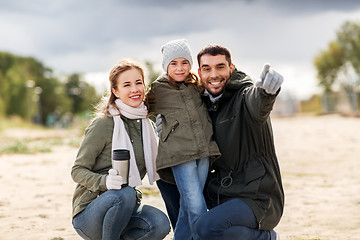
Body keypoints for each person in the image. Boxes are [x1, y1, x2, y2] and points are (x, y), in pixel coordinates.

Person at [157, 44, 284, 240]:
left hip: (256, 196)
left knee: (207, 227)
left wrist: (266, 93)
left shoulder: (244, 96)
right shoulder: (203, 104)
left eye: (220, 67)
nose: (214, 74)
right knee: (167, 179)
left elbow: (257, 103)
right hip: (222, 192)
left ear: (231, 69)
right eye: (207, 69)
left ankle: (265, 237)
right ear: (199, 73)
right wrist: (170, 126)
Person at [71, 59, 170, 240]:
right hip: (89, 214)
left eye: (138, 83)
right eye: (127, 85)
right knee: (124, 193)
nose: (134, 89)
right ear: (115, 91)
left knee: (160, 223)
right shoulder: (104, 124)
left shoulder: (146, 125)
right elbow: (77, 171)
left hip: (125, 210)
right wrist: (106, 182)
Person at [146, 39, 221, 240]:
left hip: (204, 151)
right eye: (174, 64)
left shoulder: (196, 85)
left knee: (189, 204)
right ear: (166, 66)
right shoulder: (158, 89)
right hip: (180, 155)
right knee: (196, 205)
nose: (180, 68)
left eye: (184, 62)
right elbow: (140, 106)